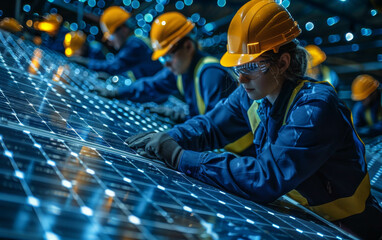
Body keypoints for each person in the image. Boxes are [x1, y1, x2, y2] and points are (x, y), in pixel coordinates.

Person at [125, 1, 382, 239]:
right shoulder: (251, 95)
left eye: (250, 67)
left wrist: (181, 158)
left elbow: (265, 177)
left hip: (350, 228)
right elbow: (211, 126)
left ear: (282, 62)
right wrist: (170, 138)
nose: (241, 78)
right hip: (302, 216)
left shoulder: (315, 107)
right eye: (238, 68)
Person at [96, 12, 238, 124]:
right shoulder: (182, 71)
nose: (165, 64)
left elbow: (214, 127)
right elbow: (150, 85)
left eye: (167, 57)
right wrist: (116, 92)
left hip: (239, 156)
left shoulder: (211, 74)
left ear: (188, 46)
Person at [71, 6, 162, 80]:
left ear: (123, 28)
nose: (110, 42)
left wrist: (84, 61)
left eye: (111, 36)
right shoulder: (137, 41)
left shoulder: (135, 45)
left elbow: (113, 66)